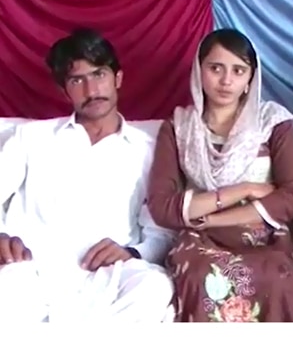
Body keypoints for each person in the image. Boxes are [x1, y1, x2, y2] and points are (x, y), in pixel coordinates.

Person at [0, 28, 175, 323]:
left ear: (118, 78)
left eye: (99, 74)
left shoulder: (149, 150)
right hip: (31, 271)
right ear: (63, 90)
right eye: (77, 80)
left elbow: (161, 231)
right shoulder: (31, 138)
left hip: (106, 275)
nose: (91, 90)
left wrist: (132, 252)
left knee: (154, 286)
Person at [146, 28, 293, 323]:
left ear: (250, 79)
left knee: (278, 277)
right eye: (215, 68)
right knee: (199, 275)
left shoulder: (272, 123)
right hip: (200, 240)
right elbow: (161, 206)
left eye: (238, 70)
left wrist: (211, 217)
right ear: (199, 72)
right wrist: (244, 189)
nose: (226, 81)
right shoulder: (178, 127)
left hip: (264, 236)